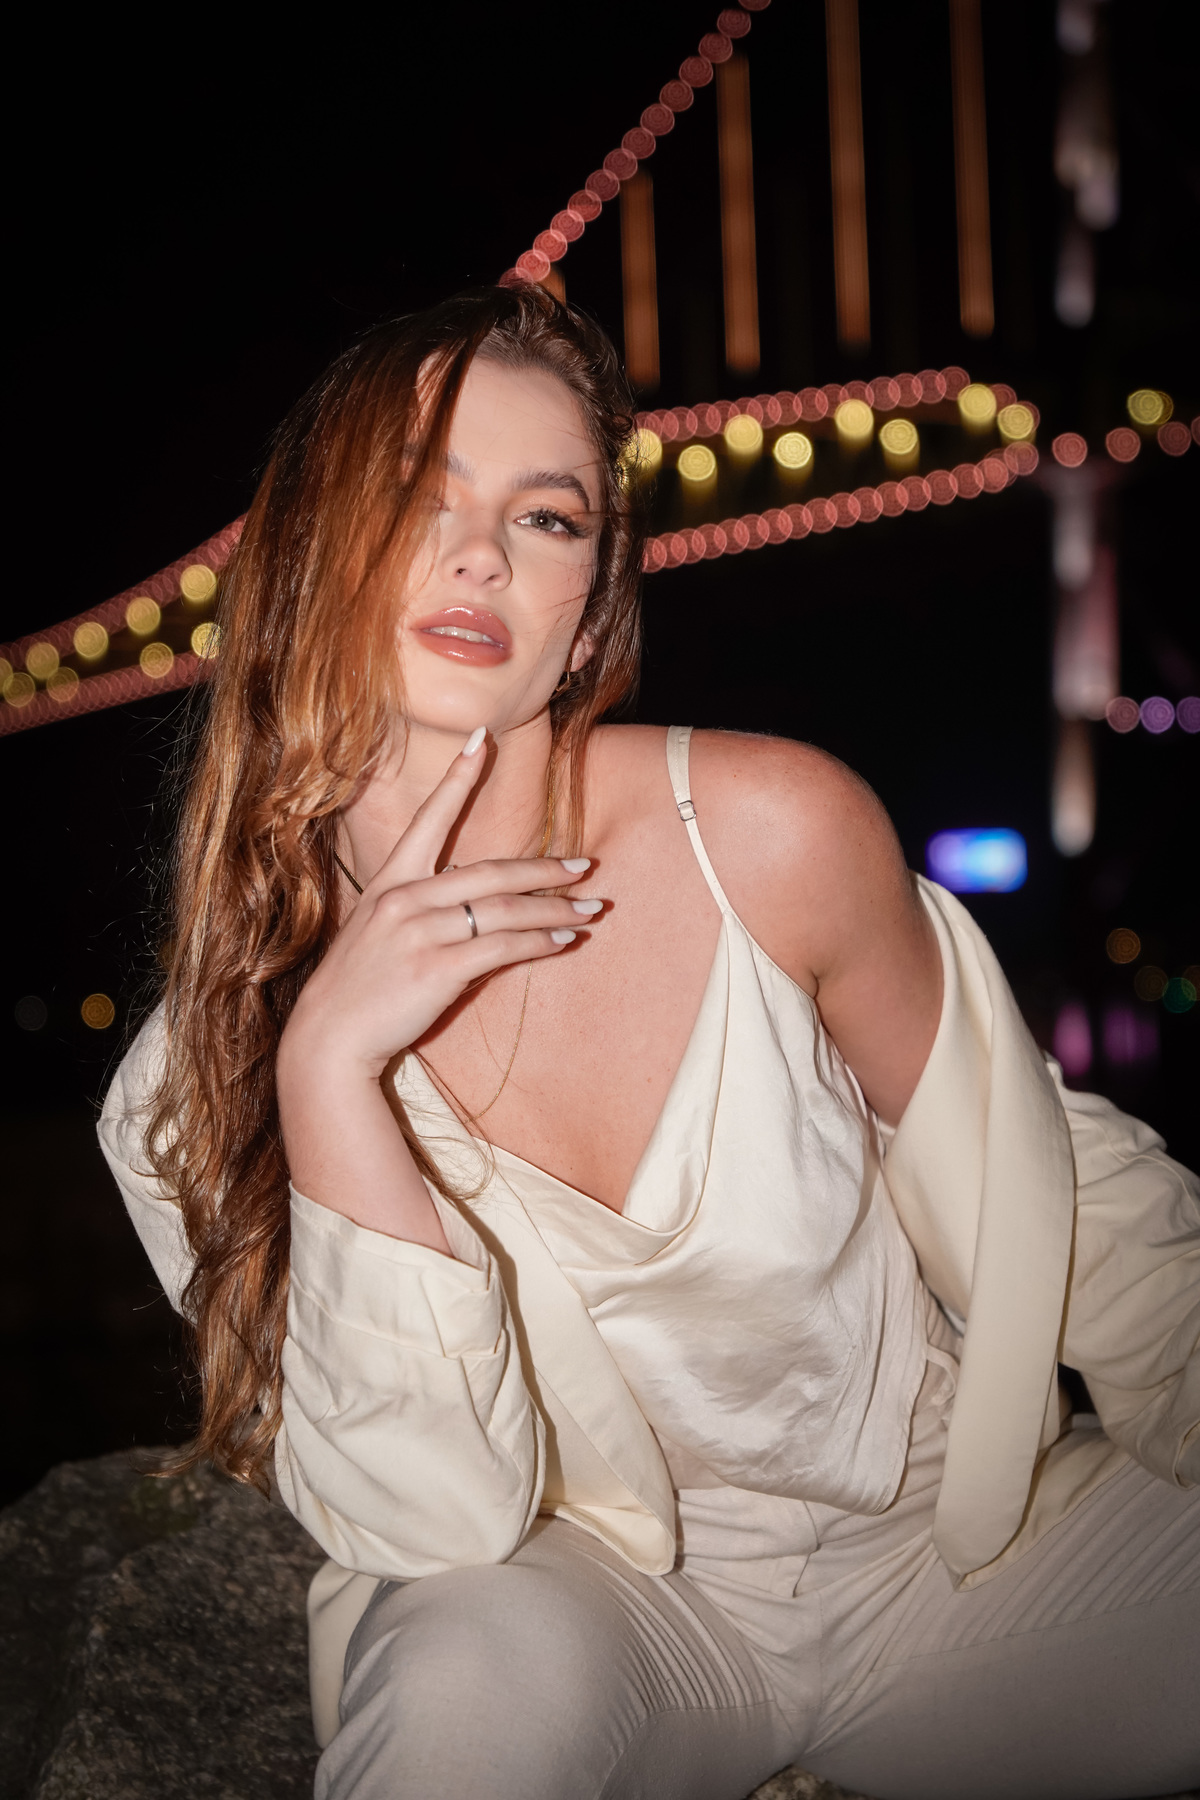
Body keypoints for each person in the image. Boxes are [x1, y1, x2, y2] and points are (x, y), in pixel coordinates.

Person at [99, 285, 1199, 1800]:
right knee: (459, 1700)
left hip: (971, 1572)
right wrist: (327, 1074)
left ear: (587, 606)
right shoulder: (186, 1088)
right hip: (597, 1615)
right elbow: (429, 1524)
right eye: (419, 495)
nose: (482, 554)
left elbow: (1060, 1198)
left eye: (546, 518)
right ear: (300, 551)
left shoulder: (770, 831)